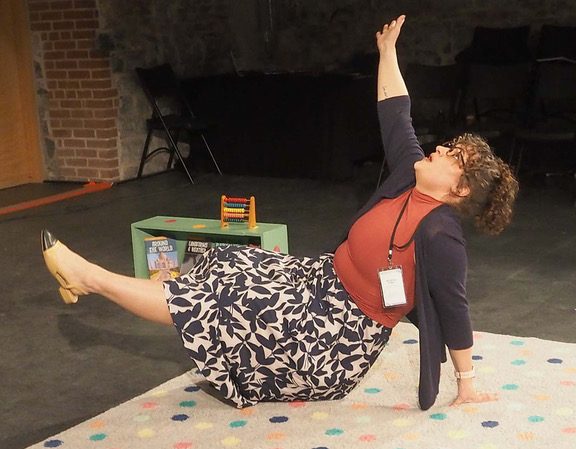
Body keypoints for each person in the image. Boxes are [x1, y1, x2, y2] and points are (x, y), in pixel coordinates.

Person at [41, 15, 518, 411]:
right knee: (229, 264)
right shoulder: (406, 176)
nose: (438, 149)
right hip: (320, 282)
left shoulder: (441, 235)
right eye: (449, 146)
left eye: (452, 156)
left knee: (223, 304)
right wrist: (388, 51)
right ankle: (225, 353)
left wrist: (467, 382)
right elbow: (396, 113)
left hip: (334, 339)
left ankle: (91, 278)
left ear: (459, 189)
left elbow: (455, 309)